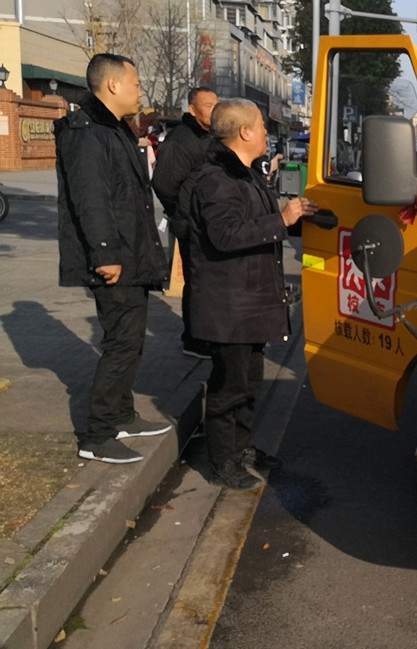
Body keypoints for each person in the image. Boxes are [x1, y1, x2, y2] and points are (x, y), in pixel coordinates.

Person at [186, 99, 317, 490]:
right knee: (229, 387)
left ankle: (242, 449)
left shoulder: (245, 174)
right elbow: (226, 235)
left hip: (251, 302)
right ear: (244, 132)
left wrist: (295, 220)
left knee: (249, 383)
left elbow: (257, 224)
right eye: (261, 126)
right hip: (230, 306)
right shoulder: (216, 179)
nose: (265, 132)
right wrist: (282, 219)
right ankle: (222, 462)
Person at [55, 53, 172, 464]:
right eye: (136, 83)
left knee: (131, 340)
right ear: (112, 85)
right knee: (121, 343)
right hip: (114, 257)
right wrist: (104, 253)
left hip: (131, 252)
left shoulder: (115, 128)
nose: (141, 91)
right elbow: (91, 199)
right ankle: (98, 435)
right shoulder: (87, 132)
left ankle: (122, 415)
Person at [152, 86, 219, 359]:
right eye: (208, 106)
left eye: (216, 105)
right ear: (192, 110)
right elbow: (163, 184)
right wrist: (181, 211)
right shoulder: (181, 139)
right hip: (191, 224)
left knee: (210, 282)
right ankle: (195, 340)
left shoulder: (212, 136)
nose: (214, 110)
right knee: (198, 283)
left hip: (210, 222)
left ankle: (209, 334)